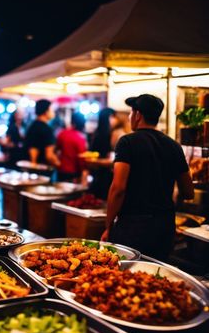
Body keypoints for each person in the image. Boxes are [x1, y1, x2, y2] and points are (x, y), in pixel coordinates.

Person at [101, 94, 194, 261]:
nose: (130, 117)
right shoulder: (174, 146)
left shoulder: (127, 142)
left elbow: (118, 189)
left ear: (137, 115)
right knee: (155, 278)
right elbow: (188, 192)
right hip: (164, 227)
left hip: (133, 226)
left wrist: (108, 226)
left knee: (127, 278)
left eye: (131, 112)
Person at [88, 108, 124, 199]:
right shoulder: (115, 134)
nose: (116, 119)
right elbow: (114, 160)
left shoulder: (97, 134)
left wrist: (94, 162)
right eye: (113, 117)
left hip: (97, 176)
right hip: (108, 177)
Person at [25, 99, 60, 167]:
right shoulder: (47, 129)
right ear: (46, 111)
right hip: (42, 168)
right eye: (51, 110)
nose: (53, 112)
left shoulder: (31, 126)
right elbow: (49, 156)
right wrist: (58, 163)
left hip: (30, 167)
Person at [56, 112, 87, 182]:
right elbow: (81, 158)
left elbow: (56, 150)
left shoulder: (62, 133)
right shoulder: (80, 138)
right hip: (74, 172)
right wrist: (84, 171)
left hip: (61, 170)